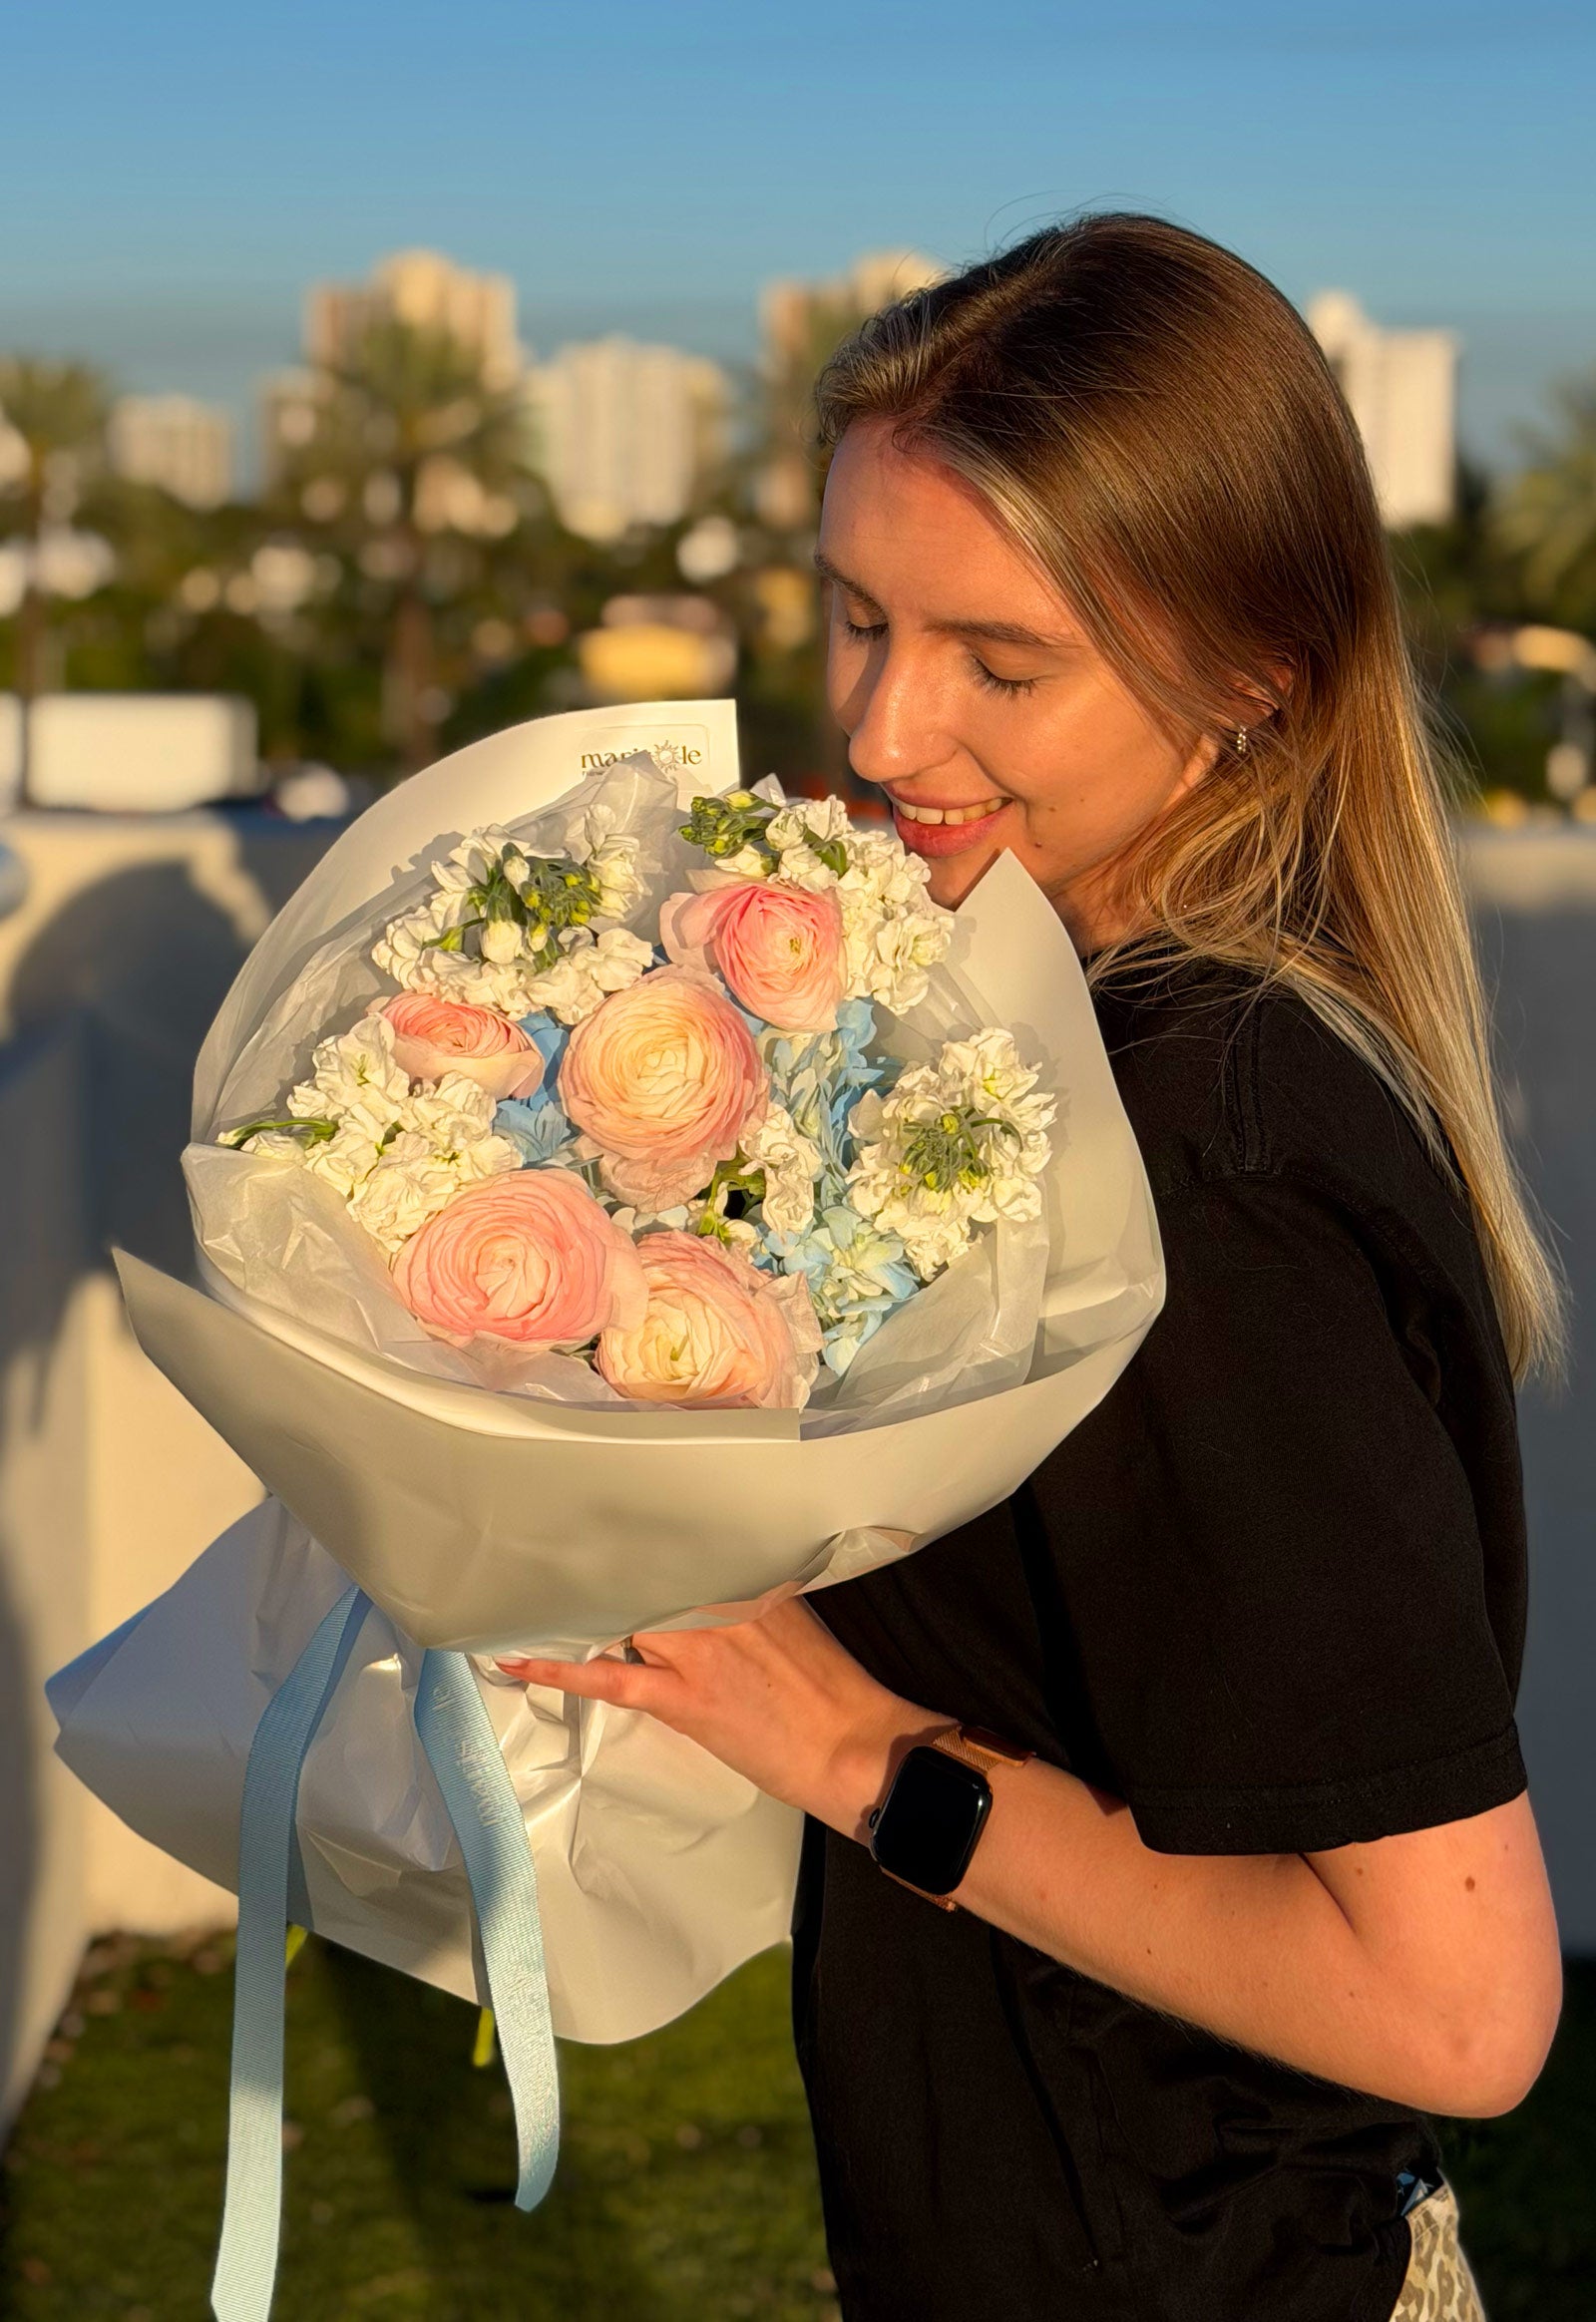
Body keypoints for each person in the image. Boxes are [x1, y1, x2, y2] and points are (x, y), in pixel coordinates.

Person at [517, 215, 1563, 2319]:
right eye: (853, 616)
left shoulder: (1208, 1153)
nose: (888, 730)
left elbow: (1460, 2013)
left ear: (1245, 680)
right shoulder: (1064, 1046)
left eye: (1000, 661)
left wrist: (852, 1763)